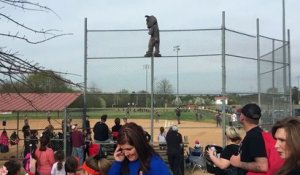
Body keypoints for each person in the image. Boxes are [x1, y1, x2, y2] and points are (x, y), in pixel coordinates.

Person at [230, 103, 268, 175]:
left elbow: (262, 166)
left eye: (240, 114)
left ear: (242, 118)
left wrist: (239, 163)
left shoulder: (254, 136)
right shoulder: (256, 133)